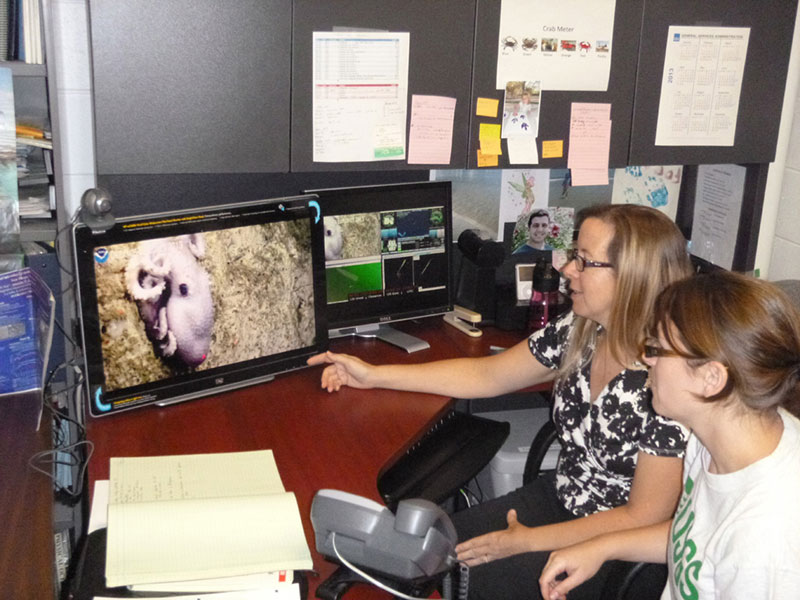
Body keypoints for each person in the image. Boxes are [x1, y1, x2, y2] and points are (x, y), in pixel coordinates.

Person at [308, 204, 693, 599]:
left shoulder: (669, 377)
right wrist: (373, 375)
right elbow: (489, 375)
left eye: (583, 261)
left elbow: (643, 516)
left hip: (616, 548)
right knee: (431, 552)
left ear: (632, 278)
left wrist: (528, 541)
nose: (566, 269)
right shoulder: (584, 332)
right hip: (559, 496)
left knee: (472, 581)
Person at [539, 271, 800, 600]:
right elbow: (694, 538)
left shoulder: (766, 538)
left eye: (657, 349)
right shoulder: (712, 441)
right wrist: (600, 548)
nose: (646, 359)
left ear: (711, 379)